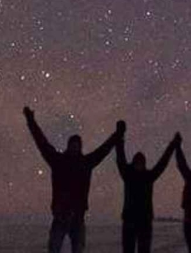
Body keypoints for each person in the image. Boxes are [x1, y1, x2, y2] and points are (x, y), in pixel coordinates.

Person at [23, 106, 125, 253]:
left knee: (77, 249)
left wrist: (117, 135)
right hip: (60, 217)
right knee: (54, 248)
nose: (75, 147)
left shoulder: (86, 162)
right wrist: (31, 121)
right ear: (69, 145)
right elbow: (42, 142)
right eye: (73, 144)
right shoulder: (58, 160)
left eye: (77, 145)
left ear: (80, 146)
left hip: (78, 218)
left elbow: (104, 149)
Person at [115, 130, 181, 253]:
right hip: (129, 220)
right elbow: (120, 158)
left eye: (141, 163)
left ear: (144, 163)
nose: (139, 165)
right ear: (133, 163)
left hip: (145, 221)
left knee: (144, 250)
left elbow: (162, 163)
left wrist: (172, 145)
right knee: (128, 249)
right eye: (137, 162)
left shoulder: (148, 176)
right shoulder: (128, 175)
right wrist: (120, 138)